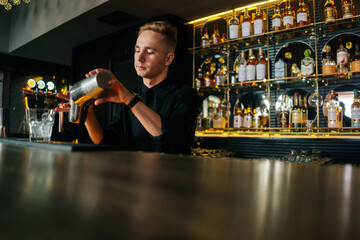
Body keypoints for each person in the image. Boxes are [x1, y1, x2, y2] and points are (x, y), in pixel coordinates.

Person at [57, 21, 199, 154]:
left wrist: (129, 99)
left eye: (149, 52)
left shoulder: (185, 95)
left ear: (168, 59)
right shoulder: (129, 96)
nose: (140, 58)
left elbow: (177, 140)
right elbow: (105, 141)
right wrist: (88, 114)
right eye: (137, 50)